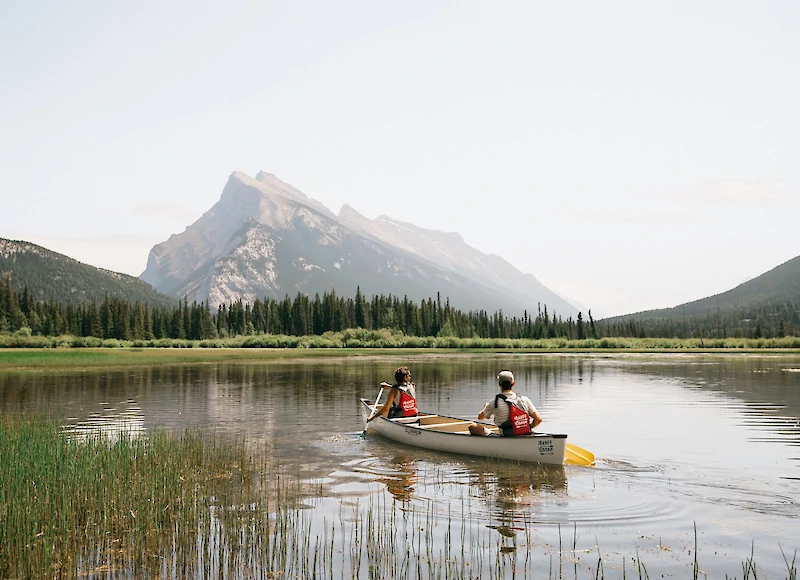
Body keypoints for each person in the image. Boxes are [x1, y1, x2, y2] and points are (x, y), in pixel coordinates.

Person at [469, 370, 542, 436]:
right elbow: (538, 419)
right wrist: (529, 426)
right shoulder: (524, 399)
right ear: (513, 384)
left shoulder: (495, 402)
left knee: (472, 426)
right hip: (525, 433)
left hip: (506, 435)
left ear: (499, 384)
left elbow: (480, 417)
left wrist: (486, 407)